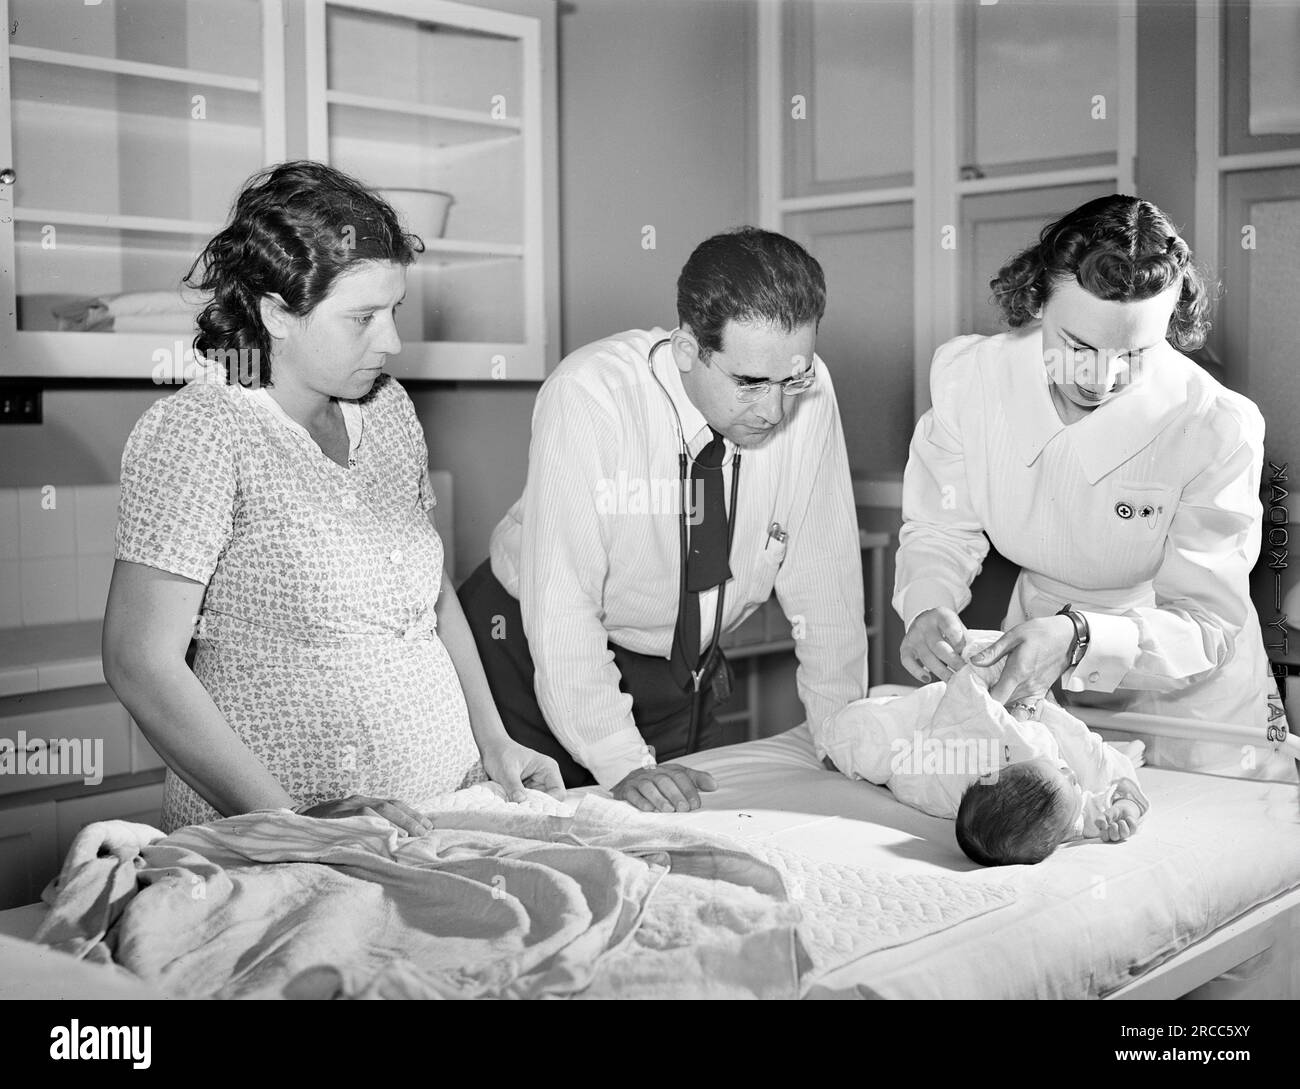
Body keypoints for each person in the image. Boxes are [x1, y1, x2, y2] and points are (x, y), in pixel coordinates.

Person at [103, 161, 563, 836]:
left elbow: (427, 595)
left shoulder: (388, 411)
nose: (393, 341)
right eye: (362, 318)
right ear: (276, 315)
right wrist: (297, 826)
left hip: (435, 809)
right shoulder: (203, 430)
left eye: (393, 311)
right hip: (275, 835)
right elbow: (139, 662)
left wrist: (494, 743)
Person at [460, 227, 869, 812]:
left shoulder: (807, 390)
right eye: (749, 382)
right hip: (524, 653)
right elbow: (564, 606)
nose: (775, 410)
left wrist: (842, 736)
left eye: (792, 379)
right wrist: (620, 760)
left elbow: (824, 577)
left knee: (680, 843)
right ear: (686, 349)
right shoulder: (590, 395)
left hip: (680, 667)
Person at [894, 194, 1292, 781]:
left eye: (1135, 353)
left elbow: (1208, 625)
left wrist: (1081, 639)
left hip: (1193, 699)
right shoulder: (971, 380)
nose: (1100, 379)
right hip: (1036, 666)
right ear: (1035, 299)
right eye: (1078, 345)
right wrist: (928, 605)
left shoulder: (1216, 426)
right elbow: (938, 529)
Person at [821, 631, 1150, 867]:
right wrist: (1125, 808)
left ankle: (839, 739)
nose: (1071, 773)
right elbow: (1106, 791)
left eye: (1060, 773)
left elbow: (966, 701)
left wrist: (995, 680)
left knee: (876, 735)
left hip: (933, 731)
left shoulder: (956, 777)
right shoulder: (1066, 817)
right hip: (1006, 698)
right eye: (1069, 780)